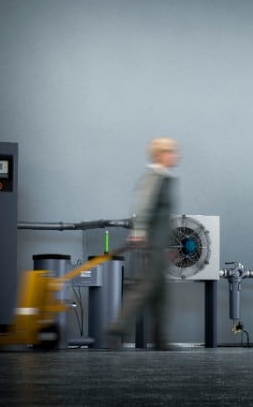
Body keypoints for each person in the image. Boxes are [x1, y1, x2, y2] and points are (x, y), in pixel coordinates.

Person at [107, 137, 179, 350]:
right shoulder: (153, 177)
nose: (176, 156)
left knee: (160, 292)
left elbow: (164, 216)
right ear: (161, 155)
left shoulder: (165, 178)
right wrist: (138, 231)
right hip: (154, 243)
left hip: (160, 243)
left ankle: (160, 338)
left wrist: (168, 245)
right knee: (145, 288)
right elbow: (143, 204)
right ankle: (117, 327)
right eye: (172, 152)